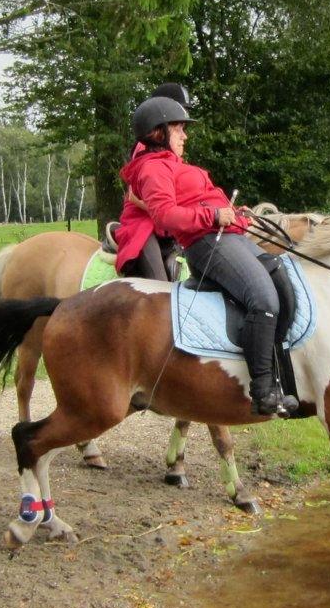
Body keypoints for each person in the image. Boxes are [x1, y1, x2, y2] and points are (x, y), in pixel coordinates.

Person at [120, 96, 297, 417]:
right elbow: (164, 216)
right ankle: (262, 390)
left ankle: (281, 374)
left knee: (282, 280)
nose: (185, 135)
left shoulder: (177, 165)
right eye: (178, 129)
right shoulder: (151, 169)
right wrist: (214, 217)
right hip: (206, 243)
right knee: (264, 299)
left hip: (228, 235)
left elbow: (202, 201)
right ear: (159, 132)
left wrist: (236, 215)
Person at [114, 83, 194, 280]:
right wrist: (173, 214)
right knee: (160, 284)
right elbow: (133, 196)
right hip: (143, 224)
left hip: (167, 226)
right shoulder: (145, 147)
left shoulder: (170, 151)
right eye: (179, 108)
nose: (182, 114)